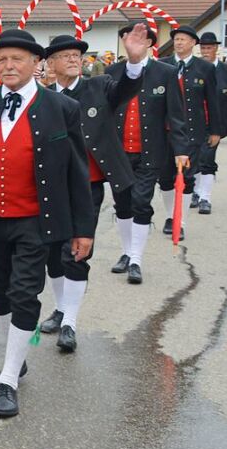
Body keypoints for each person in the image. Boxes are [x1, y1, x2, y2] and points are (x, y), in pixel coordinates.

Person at [0, 29, 93, 418]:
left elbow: (77, 174)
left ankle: (9, 377)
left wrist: (83, 230)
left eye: (17, 59)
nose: (7, 65)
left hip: (36, 222)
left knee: (25, 294)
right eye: (1, 58)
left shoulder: (61, 108)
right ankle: (17, 354)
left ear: (36, 64)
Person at [38, 30, 147, 353]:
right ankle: (61, 308)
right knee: (51, 254)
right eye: (65, 55)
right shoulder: (42, 97)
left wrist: (135, 61)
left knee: (76, 251)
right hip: (50, 185)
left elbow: (127, 88)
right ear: (51, 63)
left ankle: (70, 321)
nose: (73, 59)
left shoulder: (99, 87)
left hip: (88, 184)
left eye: (77, 55)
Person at [106, 24, 188, 283]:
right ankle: (126, 252)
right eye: (128, 38)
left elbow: (176, 115)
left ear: (150, 44)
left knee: (141, 202)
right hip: (118, 152)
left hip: (150, 152)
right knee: (122, 205)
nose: (132, 42)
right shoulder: (113, 72)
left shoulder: (166, 73)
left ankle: (136, 260)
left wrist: (181, 150)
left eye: (139, 39)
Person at [158, 25, 222, 239]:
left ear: (193, 43)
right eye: (176, 39)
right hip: (165, 131)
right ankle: (170, 215)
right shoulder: (163, 66)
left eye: (184, 39)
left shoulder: (205, 68)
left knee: (185, 177)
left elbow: (212, 101)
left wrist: (215, 130)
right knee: (166, 178)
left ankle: (180, 221)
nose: (179, 42)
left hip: (193, 132)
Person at [192, 32, 227, 213]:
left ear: (216, 49)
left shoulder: (224, 71)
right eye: (203, 48)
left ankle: (205, 197)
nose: (206, 51)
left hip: (215, 124)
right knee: (195, 159)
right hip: (194, 122)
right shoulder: (194, 69)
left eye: (209, 48)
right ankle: (196, 192)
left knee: (207, 159)